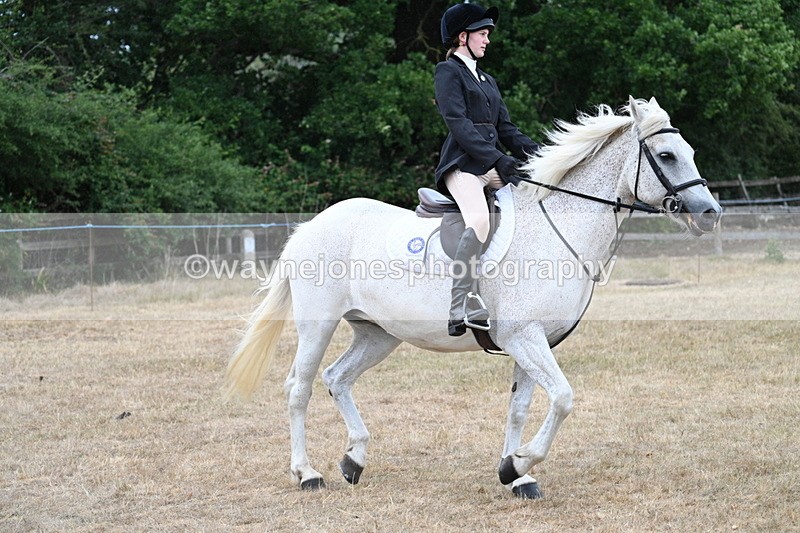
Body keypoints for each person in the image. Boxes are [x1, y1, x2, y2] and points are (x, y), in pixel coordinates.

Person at [435, 2, 540, 337]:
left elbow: (506, 129)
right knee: (480, 219)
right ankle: (459, 304)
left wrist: (541, 155)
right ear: (462, 37)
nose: (487, 40)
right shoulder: (448, 72)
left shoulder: (487, 79)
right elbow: (460, 125)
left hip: (491, 164)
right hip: (462, 166)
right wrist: (498, 159)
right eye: (482, 33)